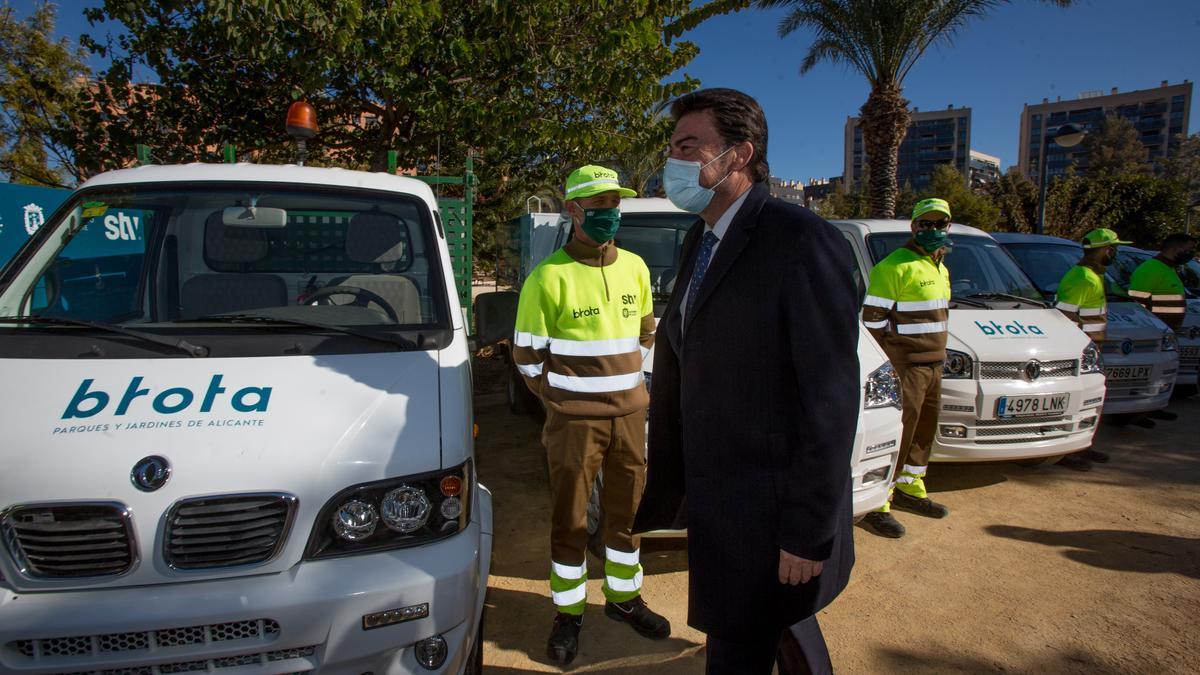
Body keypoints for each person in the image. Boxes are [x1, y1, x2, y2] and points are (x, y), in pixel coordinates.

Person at [632, 88, 858, 675]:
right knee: (771, 630)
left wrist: (807, 532)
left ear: (738, 155)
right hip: (722, 504)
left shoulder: (802, 241)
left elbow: (829, 401)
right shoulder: (701, 238)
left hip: (772, 509)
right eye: (671, 146)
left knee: (743, 644)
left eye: (688, 145)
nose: (672, 160)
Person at [512, 164, 669, 666]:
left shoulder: (637, 268)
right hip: (574, 422)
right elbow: (526, 357)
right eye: (599, 207)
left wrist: (620, 390)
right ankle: (568, 614)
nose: (609, 215)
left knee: (626, 517)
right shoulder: (547, 278)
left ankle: (624, 600)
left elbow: (645, 333)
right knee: (571, 519)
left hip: (630, 416)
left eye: (614, 206)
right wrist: (561, 400)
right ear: (573, 211)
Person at [857, 199, 954, 539]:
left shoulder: (940, 267)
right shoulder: (893, 267)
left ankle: (911, 488)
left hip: (934, 364)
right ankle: (880, 504)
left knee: (924, 432)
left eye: (938, 224)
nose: (932, 230)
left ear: (948, 227)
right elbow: (872, 326)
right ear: (913, 227)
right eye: (925, 224)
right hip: (906, 368)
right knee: (900, 433)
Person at [1054, 227, 1130, 468]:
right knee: (1076, 403)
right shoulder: (1082, 278)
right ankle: (1066, 451)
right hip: (1079, 354)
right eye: (1112, 249)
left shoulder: (1094, 276)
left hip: (1090, 352)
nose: (1114, 253)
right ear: (1103, 250)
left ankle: (1083, 445)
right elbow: (1064, 318)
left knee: (1091, 402)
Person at [1129, 233, 1196, 331]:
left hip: (1167, 332)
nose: (1190, 253)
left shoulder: (1169, 268)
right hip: (1154, 331)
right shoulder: (1151, 268)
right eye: (1189, 249)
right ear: (1176, 248)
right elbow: (1136, 303)